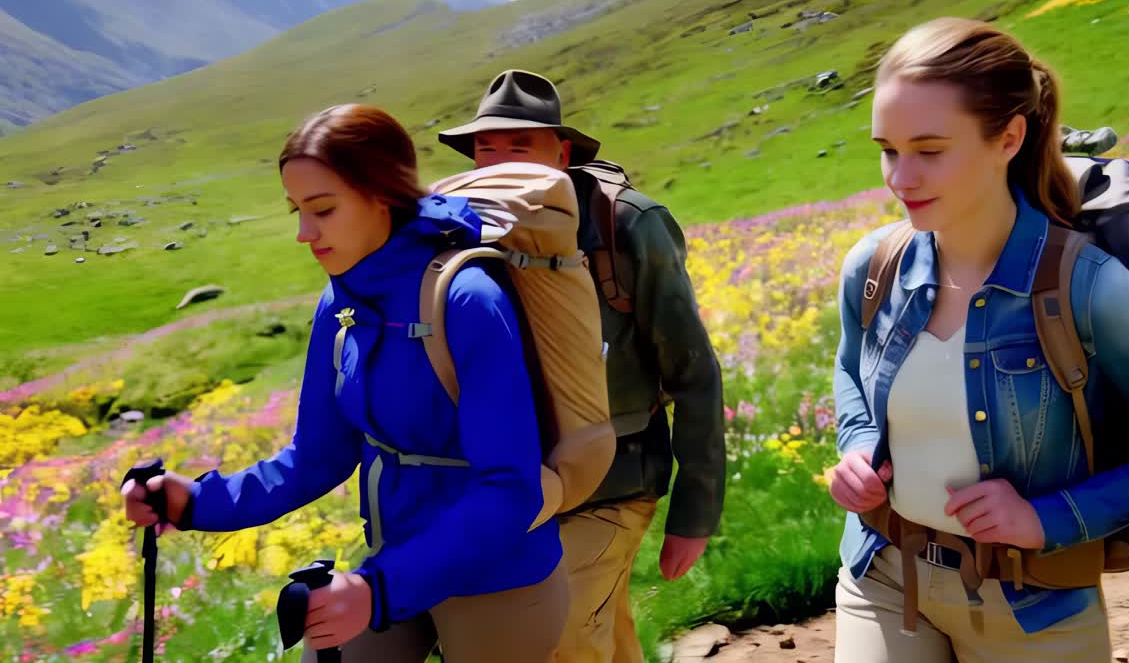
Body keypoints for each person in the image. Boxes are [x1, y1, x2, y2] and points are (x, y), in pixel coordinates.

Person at [827, 17, 1129, 662]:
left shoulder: (1087, 287)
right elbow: (850, 371)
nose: (899, 178)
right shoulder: (873, 266)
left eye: (929, 150)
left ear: (1009, 137)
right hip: (882, 575)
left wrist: (1050, 519)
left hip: (1032, 606)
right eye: (887, 149)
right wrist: (856, 448)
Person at [120, 104, 568, 662]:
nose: (305, 234)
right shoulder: (341, 302)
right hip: (390, 564)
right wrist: (197, 503)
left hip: (500, 578)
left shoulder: (467, 299)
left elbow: (510, 489)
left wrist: (375, 590)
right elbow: (316, 459)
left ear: (383, 195)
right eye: (297, 211)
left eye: (323, 210)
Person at [438, 69, 726, 663]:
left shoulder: (626, 225)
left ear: (561, 152)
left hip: (616, 480)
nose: (498, 164)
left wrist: (695, 514)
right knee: (600, 637)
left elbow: (693, 369)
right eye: (485, 150)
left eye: (520, 148)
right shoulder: (462, 228)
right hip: (522, 483)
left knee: (559, 640)